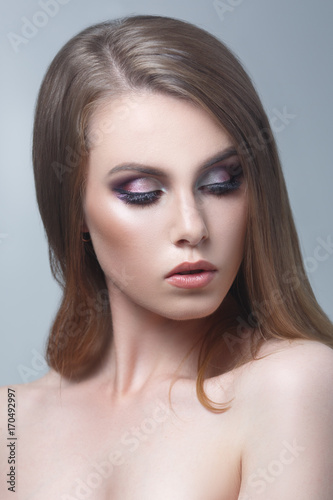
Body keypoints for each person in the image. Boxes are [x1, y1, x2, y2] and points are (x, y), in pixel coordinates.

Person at [1, 14, 333, 499]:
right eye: (141, 191)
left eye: (221, 183)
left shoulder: (292, 383)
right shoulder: (11, 421)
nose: (193, 227)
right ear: (74, 209)